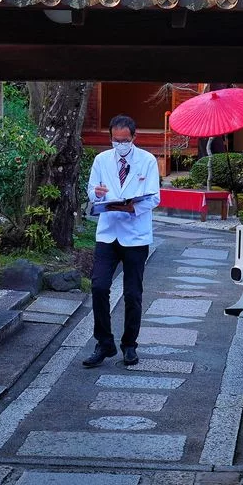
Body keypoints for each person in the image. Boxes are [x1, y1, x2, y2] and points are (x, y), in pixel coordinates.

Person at [83, 114, 160, 368]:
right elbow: (92, 190)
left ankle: (129, 345)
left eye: (125, 140)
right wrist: (97, 194)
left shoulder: (147, 160)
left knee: (132, 294)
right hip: (108, 232)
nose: (120, 145)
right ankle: (104, 342)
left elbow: (154, 197)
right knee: (99, 287)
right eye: (116, 140)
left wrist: (132, 207)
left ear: (134, 137)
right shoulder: (101, 160)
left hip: (135, 236)